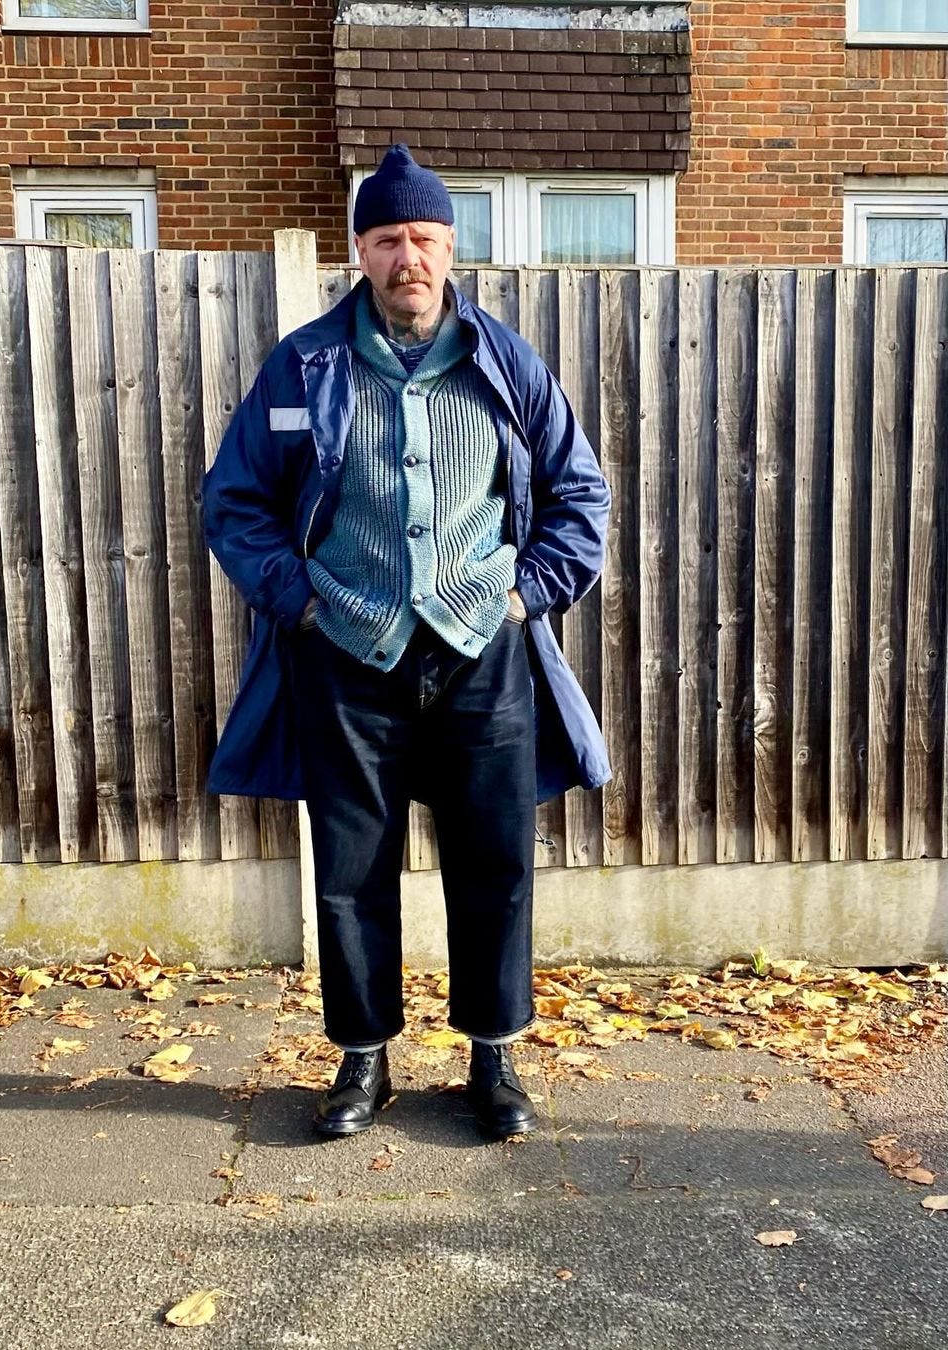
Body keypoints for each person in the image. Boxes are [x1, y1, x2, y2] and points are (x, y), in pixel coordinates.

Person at [203, 143, 611, 1141]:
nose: (408, 258)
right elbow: (234, 502)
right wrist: (297, 598)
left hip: (483, 656)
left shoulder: (507, 363)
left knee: (495, 864)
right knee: (349, 870)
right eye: (388, 239)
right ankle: (363, 1061)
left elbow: (579, 499)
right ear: (360, 251)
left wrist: (524, 595)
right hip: (346, 659)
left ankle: (494, 1059)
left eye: (424, 237)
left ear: (450, 246)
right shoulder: (303, 365)